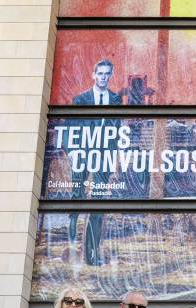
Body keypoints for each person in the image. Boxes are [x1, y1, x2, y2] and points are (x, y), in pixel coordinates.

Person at [70, 59, 123, 266]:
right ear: (94, 74)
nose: (103, 77)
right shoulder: (81, 99)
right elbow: (71, 125)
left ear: (110, 75)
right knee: (78, 196)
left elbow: (117, 129)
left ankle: (91, 255)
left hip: (103, 157)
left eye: (107, 73)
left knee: (98, 202)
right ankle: (73, 233)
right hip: (82, 153)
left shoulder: (116, 99)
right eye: (99, 73)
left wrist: (113, 154)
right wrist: (73, 150)